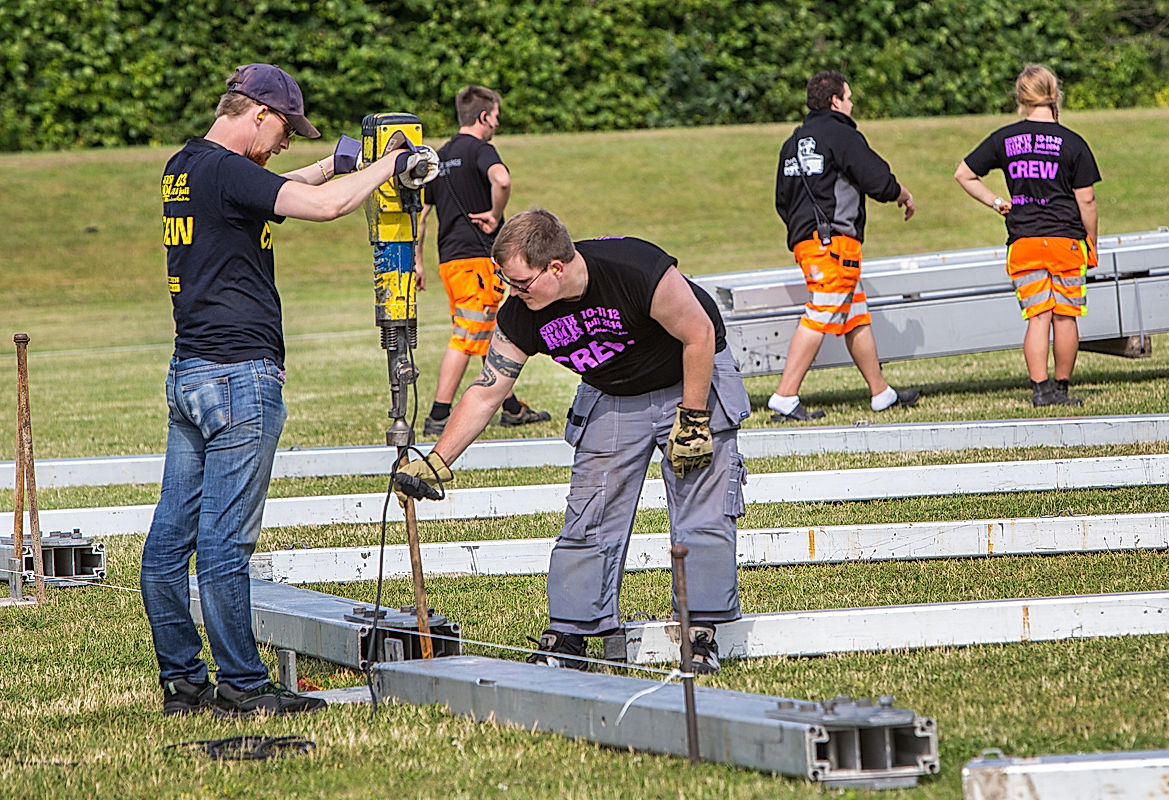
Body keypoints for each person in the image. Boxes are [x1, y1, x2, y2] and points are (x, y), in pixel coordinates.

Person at [142, 63, 435, 716]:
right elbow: (326, 208)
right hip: (239, 376)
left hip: (189, 372)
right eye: (282, 133)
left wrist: (337, 162)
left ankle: (182, 683)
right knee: (224, 545)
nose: (283, 147)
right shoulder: (226, 170)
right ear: (257, 115)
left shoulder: (186, 166)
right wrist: (392, 167)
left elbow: (279, 188)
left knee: (169, 542)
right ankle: (245, 689)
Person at [397, 208, 750, 674]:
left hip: (688, 378)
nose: (512, 293)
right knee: (590, 508)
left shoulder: (636, 269)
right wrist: (438, 460)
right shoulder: (522, 313)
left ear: (556, 268)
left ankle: (700, 631)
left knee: (701, 509)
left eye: (520, 282)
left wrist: (693, 418)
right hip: (612, 389)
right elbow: (488, 390)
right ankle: (572, 631)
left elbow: (699, 334)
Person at [769, 70, 920, 422]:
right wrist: (904, 194)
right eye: (849, 98)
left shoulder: (793, 143)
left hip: (808, 242)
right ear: (836, 101)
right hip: (834, 244)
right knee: (821, 312)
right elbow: (877, 179)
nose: (852, 105)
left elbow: (782, 200)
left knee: (855, 316)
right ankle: (785, 397)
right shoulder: (841, 134)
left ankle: (881, 393)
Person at [955, 64, 1100, 407]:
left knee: (1038, 317)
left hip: (1024, 242)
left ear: (1021, 98)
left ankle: (1040, 391)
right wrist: (1091, 241)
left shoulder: (1005, 138)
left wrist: (996, 202)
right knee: (1065, 317)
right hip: (1065, 241)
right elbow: (1087, 200)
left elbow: (963, 174)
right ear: (1055, 94)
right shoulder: (1073, 142)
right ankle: (1062, 389)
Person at [416, 85, 549, 437]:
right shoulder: (481, 149)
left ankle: (511, 407)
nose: (497, 124)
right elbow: (502, 179)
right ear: (483, 116)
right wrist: (495, 213)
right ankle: (439, 416)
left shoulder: (438, 157)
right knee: (466, 334)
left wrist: (417, 260)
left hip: (450, 262)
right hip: (477, 258)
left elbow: (422, 214)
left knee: (485, 330)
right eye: (496, 118)